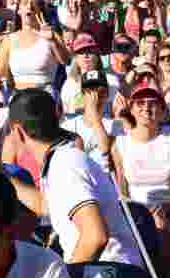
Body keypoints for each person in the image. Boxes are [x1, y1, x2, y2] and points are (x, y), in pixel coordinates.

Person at [8, 89, 143, 267]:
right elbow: (45, 205)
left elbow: (95, 237)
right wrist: (1, 174)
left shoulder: (65, 164)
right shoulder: (61, 159)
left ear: (17, 131)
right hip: (108, 273)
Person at [112, 79, 170, 278]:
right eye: (140, 103)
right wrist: (139, 213)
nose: (146, 108)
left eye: (152, 103)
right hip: (135, 213)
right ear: (131, 109)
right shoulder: (120, 144)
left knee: (162, 227)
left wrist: (168, 206)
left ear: (162, 109)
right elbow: (121, 192)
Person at [0, 0, 67, 94]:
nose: (29, 6)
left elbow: (65, 61)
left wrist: (52, 41)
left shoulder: (52, 34)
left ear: (39, 10)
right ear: (19, 10)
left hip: (45, 96)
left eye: (34, 4)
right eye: (25, 3)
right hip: (19, 99)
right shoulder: (9, 40)